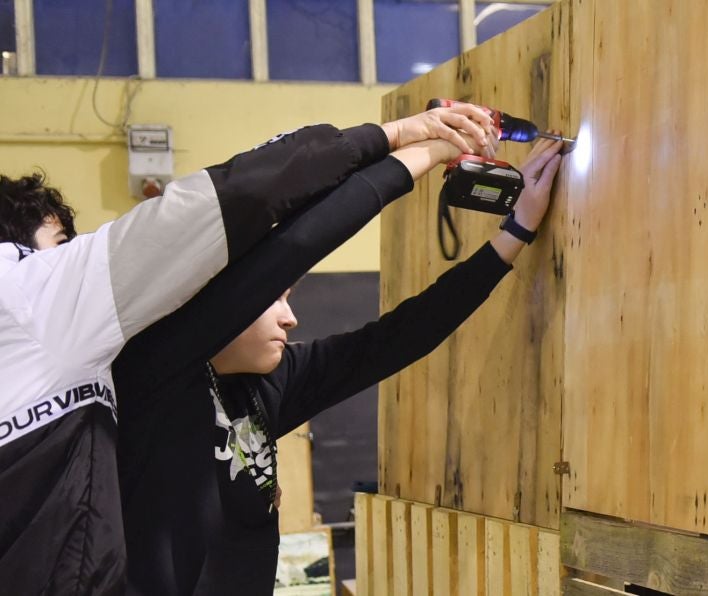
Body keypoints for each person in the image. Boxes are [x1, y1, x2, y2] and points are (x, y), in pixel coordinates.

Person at [0, 104, 495, 594]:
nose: (289, 316)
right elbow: (269, 222)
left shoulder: (262, 383)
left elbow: (390, 341)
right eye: (61, 243)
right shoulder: (135, 353)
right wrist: (409, 143)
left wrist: (508, 239)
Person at [111, 132, 563, 595]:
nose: (290, 318)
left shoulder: (271, 380)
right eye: (275, 298)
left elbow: (399, 338)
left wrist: (516, 232)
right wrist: (421, 144)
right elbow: (299, 241)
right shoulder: (156, 375)